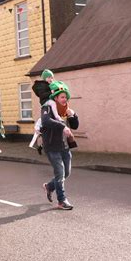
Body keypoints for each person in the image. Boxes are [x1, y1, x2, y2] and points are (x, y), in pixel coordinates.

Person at [41, 81, 79, 210]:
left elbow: (74, 126)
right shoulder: (47, 107)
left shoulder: (66, 109)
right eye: (62, 97)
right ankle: (62, 200)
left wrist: (73, 115)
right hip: (52, 146)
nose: (65, 99)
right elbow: (46, 121)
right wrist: (62, 126)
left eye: (66, 97)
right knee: (60, 173)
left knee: (66, 173)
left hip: (64, 146)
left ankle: (49, 186)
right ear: (55, 98)